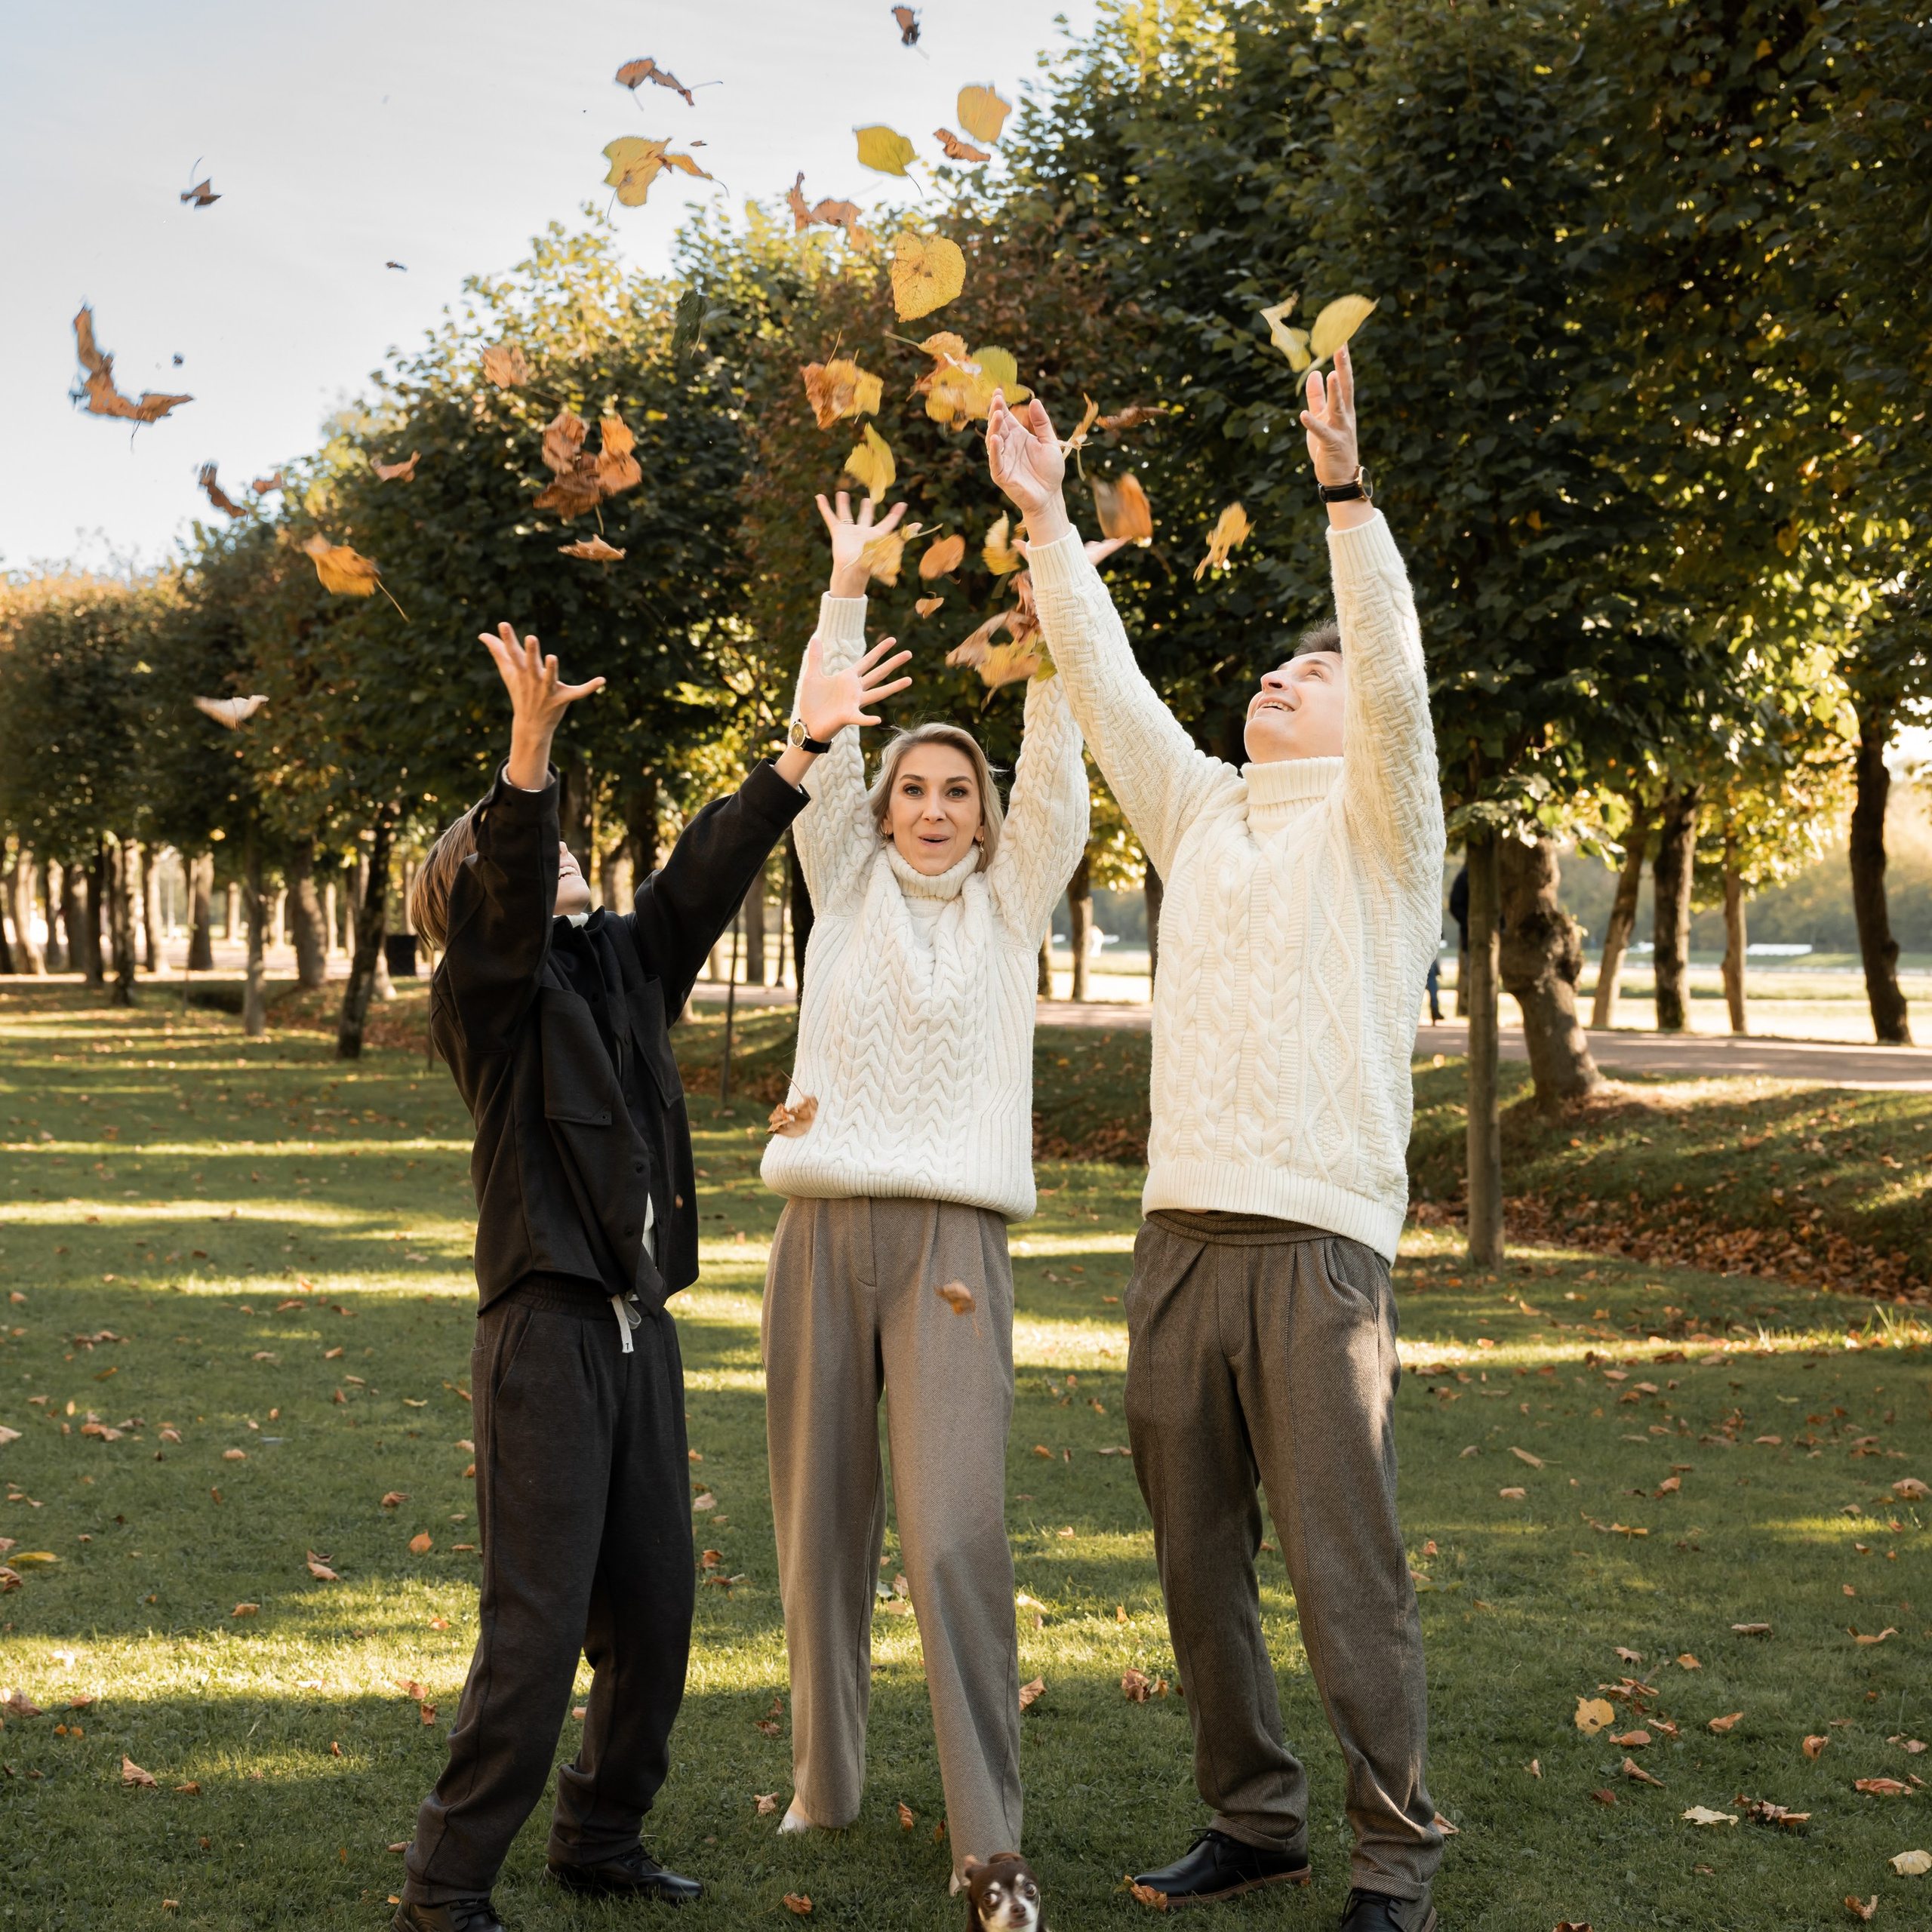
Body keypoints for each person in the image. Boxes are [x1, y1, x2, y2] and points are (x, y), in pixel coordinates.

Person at [985, 343, 1446, 1932]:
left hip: (1316, 1248)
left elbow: (1386, 671)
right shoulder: (1199, 813)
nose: (1278, 679)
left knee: (1342, 1575)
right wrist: (1043, 516)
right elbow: (1108, 690)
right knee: (1196, 1567)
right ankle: (1251, 1815)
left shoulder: (1382, 830)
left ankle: (1392, 1853)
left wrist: (1341, 490)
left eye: (1298, 677)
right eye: (1269, 671)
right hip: (1178, 1239)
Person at [391, 616, 909, 1932]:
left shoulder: (618, 970)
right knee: (538, 1622)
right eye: (535, 851)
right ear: (476, 898)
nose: (567, 852)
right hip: (544, 1338)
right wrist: (526, 755)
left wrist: (799, 752)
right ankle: (445, 1887)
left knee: (657, 1608)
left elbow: (699, 877)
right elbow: (506, 899)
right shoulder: (485, 1000)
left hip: (638, 1336)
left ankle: (600, 1837)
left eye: (564, 840)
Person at [758, 492, 1089, 1887]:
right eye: (915, 788)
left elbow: (1061, 770)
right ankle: (823, 1787)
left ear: (985, 813)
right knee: (817, 1531)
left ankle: (984, 1838)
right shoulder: (843, 884)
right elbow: (821, 744)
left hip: (954, 1247)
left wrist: (1053, 619)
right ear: (884, 806)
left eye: (958, 790)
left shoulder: (1016, 905)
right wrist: (845, 586)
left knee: (953, 1534)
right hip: (820, 1235)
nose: (936, 810)